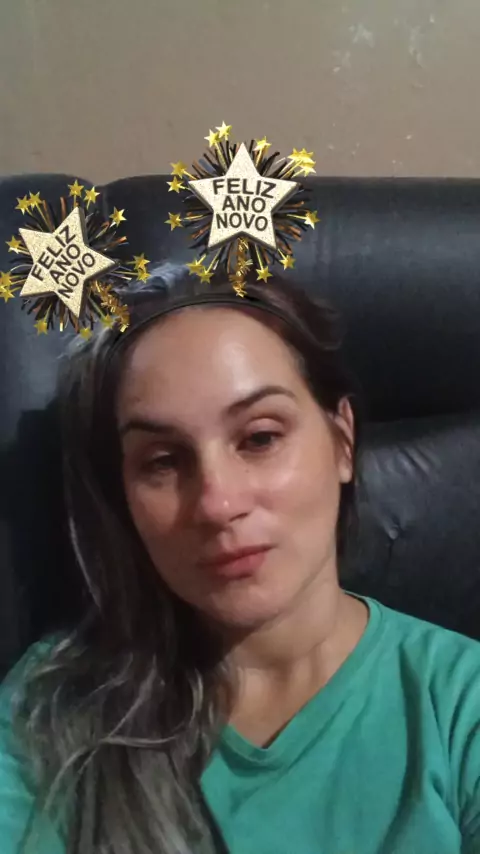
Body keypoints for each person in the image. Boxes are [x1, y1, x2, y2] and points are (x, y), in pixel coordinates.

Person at [1, 270, 480, 854]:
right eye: (163, 461)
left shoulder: (460, 706)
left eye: (260, 438)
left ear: (342, 441)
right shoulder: (54, 705)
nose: (217, 504)